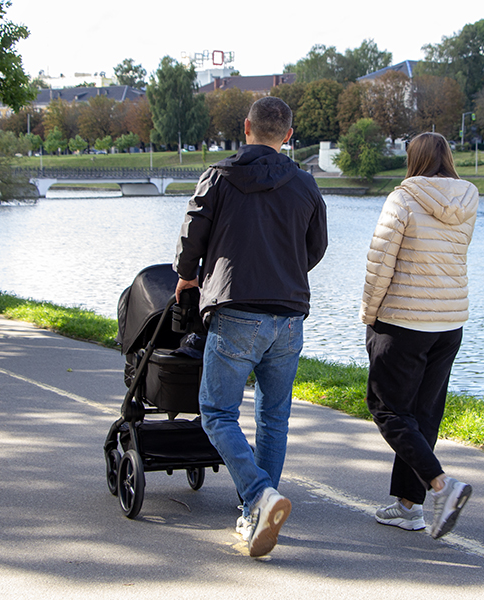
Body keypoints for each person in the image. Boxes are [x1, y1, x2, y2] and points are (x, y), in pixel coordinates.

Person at [174, 96, 328, 557]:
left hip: (236, 307)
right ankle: (254, 514)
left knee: (217, 413)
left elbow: (191, 235)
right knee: (274, 417)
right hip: (288, 313)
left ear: (246, 128)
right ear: (288, 135)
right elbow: (315, 248)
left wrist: (187, 273)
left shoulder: (219, 177)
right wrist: (285, 271)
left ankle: (260, 496)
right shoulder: (305, 184)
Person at [360, 132, 479, 539]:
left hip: (405, 320)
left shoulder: (403, 198)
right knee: (422, 415)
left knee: (387, 409)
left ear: (414, 159)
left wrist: (369, 315)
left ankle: (442, 485)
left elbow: (380, 263)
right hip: (449, 322)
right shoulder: (468, 198)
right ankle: (408, 508)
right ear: (447, 157)